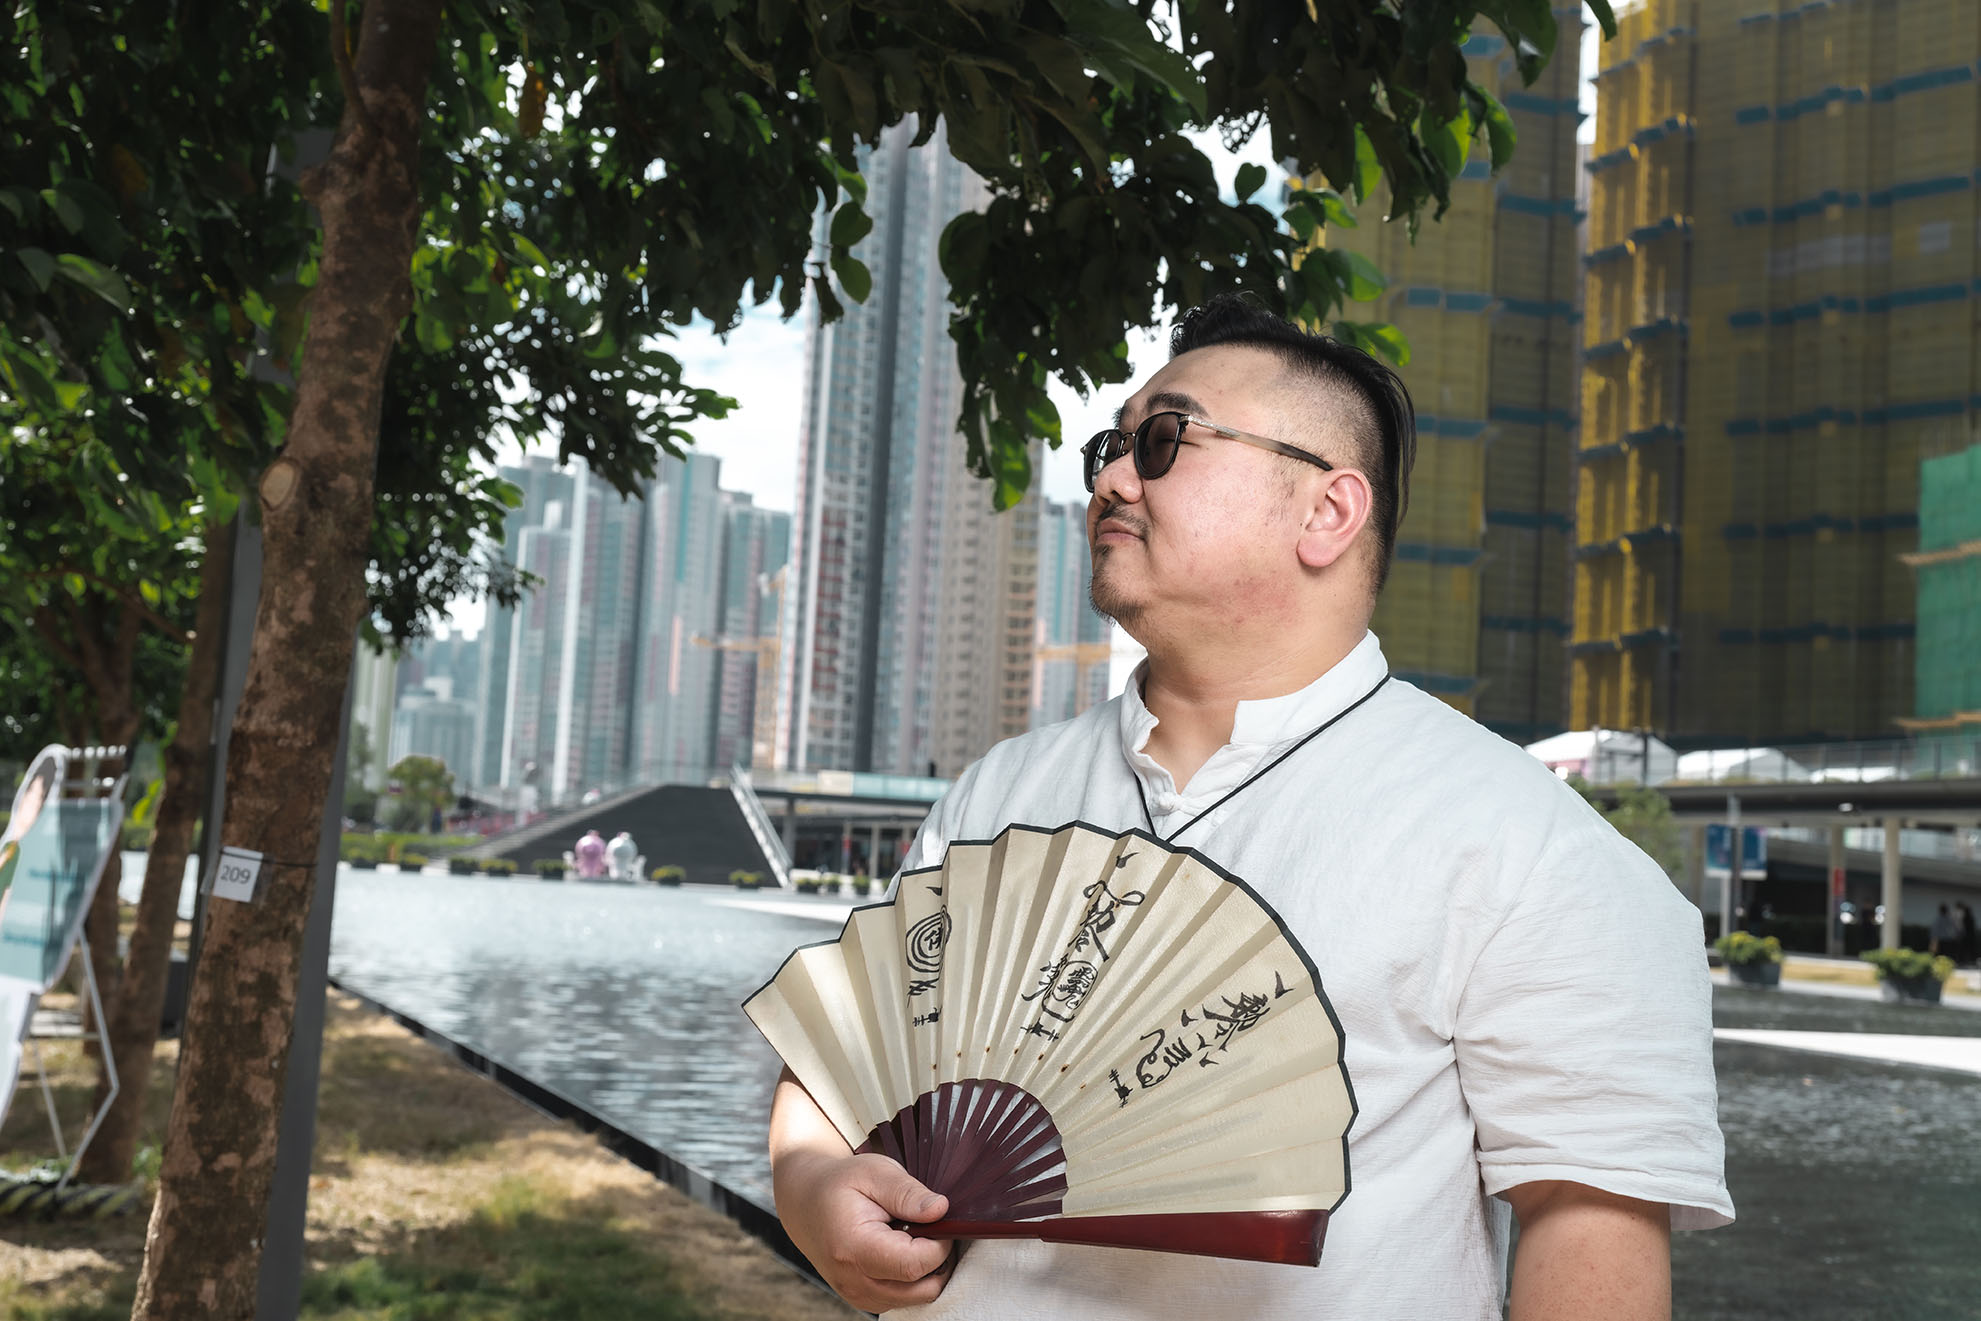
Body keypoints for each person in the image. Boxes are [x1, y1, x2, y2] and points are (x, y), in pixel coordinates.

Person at [767, 296, 1731, 1320]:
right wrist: (814, 1190)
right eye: (1110, 446)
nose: (1109, 478)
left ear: (1327, 511)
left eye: (1162, 440)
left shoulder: (1532, 848)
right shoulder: (996, 791)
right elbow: (837, 1074)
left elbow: (1586, 1240)